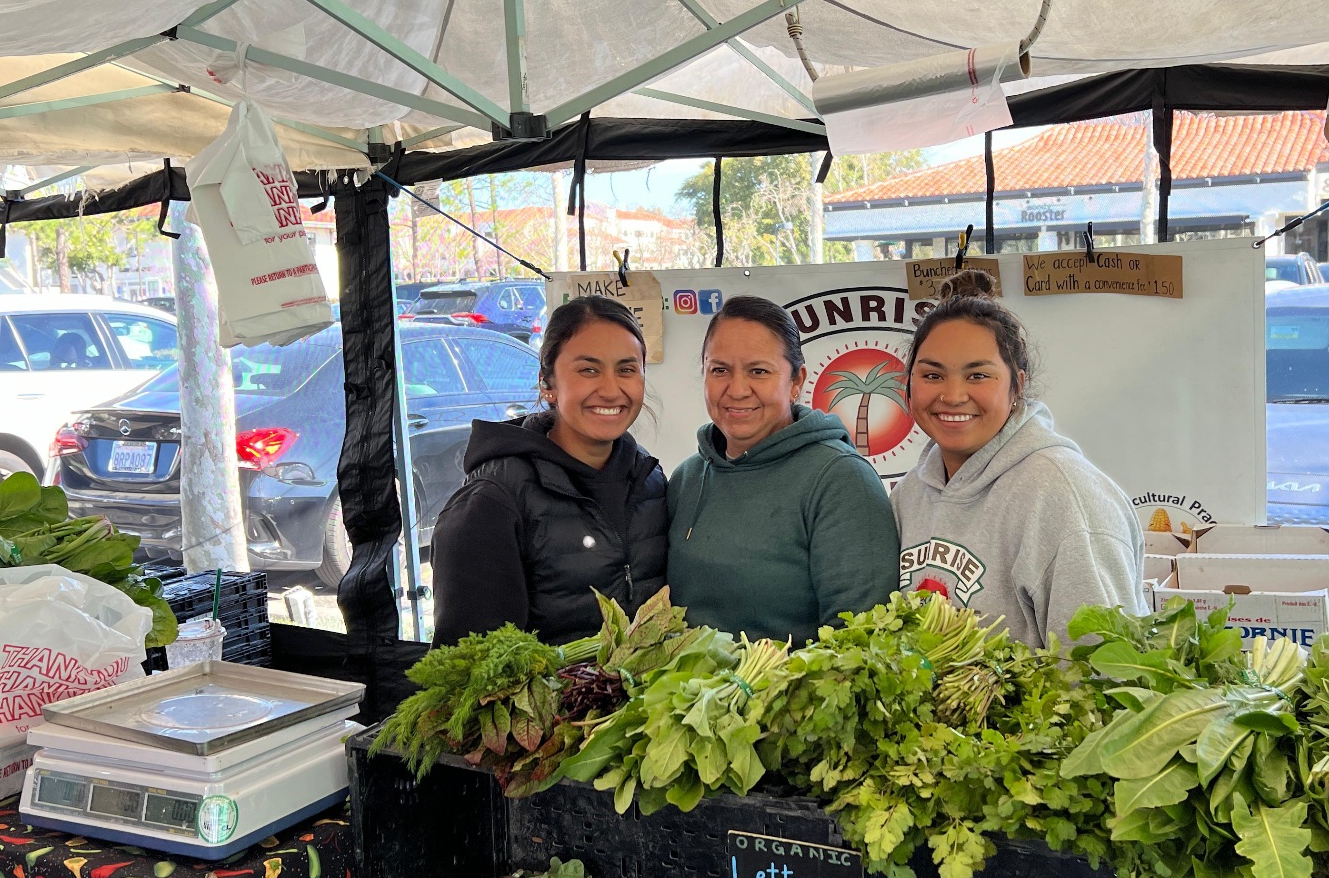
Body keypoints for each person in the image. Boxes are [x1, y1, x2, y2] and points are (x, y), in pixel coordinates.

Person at [892, 269, 1142, 649]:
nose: (954, 395)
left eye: (978, 375)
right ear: (908, 385)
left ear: (1017, 386)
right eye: (932, 375)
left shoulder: (1064, 496)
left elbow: (1105, 678)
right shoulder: (910, 495)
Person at [430, 295, 667, 645]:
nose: (611, 389)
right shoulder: (493, 500)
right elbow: (469, 667)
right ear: (547, 384)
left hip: (647, 699)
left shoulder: (650, 480)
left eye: (627, 369)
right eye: (588, 369)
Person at [667, 295, 898, 640]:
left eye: (758, 371)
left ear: (795, 381)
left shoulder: (840, 479)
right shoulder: (686, 479)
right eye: (720, 370)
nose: (737, 389)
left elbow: (858, 640)